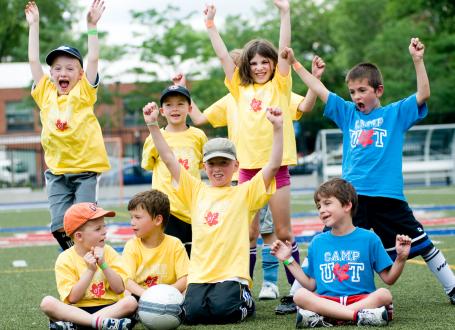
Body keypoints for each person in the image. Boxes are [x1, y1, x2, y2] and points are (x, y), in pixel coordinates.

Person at [284, 38, 455, 305]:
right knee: (327, 239)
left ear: (378, 90)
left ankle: (452, 288)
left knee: (422, 243)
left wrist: (418, 60)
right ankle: (295, 293)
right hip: (351, 198)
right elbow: (318, 88)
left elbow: (423, 94)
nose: (356, 97)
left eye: (362, 90)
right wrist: (295, 64)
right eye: (352, 92)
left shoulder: (395, 114)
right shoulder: (347, 114)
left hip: (388, 196)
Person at [203, 1, 313, 313]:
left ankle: (295, 291)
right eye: (254, 63)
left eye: (266, 62)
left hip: (276, 170)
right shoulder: (238, 89)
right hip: (247, 173)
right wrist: (211, 26)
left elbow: (284, 47)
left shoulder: (280, 85)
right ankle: (244, 291)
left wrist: (285, 12)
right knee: (248, 232)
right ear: (246, 68)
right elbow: (225, 56)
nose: (260, 67)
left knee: (283, 232)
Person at [142, 99, 283, 324]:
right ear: (204, 166)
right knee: (192, 315)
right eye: (212, 164)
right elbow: (169, 159)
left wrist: (277, 127)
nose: (218, 169)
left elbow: (274, 165)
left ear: (235, 166)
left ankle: (246, 298)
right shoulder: (195, 190)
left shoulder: (245, 192)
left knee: (224, 312)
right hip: (199, 276)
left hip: (231, 276)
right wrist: (152, 125)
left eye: (224, 163)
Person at [25, 0, 110, 250]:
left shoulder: (84, 92)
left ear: (80, 74)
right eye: (58, 68)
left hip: (85, 173)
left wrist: (91, 27)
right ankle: (76, 255)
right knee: (58, 224)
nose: (63, 72)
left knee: (84, 222)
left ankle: (92, 257)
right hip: (57, 173)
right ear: (51, 75)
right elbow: (32, 60)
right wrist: (34, 25)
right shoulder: (45, 93)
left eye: (70, 68)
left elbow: (93, 57)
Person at [271, 178, 412, 328]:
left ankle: (327, 316)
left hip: (361, 300)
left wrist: (401, 259)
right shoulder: (317, 243)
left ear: (347, 205)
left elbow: (389, 278)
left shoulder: (370, 239)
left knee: (384, 294)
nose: (321, 210)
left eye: (327, 203)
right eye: (319, 206)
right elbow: (310, 285)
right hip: (328, 300)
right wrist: (288, 259)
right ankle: (357, 316)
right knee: (299, 295)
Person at [40, 203, 137, 330]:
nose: (104, 231)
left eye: (104, 226)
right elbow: (73, 298)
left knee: (131, 302)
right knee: (47, 303)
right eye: (98, 229)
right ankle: (99, 324)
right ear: (79, 236)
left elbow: (119, 289)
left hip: (109, 307)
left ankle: (77, 326)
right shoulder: (65, 258)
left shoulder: (108, 251)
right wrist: (90, 270)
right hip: (77, 310)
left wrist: (103, 265)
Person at [141, 85, 207, 257]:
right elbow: (148, 164)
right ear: (162, 111)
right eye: (169, 105)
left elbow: (201, 165)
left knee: (194, 255)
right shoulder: (153, 137)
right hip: (166, 209)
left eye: (180, 104)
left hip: (192, 206)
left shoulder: (198, 136)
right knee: (169, 255)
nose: (175, 108)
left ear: (190, 108)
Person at [123, 190, 189, 297]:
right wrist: (148, 295)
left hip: (168, 296)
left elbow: (185, 278)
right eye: (132, 217)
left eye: (137, 217)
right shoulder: (132, 246)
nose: (132, 222)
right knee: (126, 295)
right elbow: (127, 280)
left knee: (189, 292)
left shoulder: (175, 244)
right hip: (141, 295)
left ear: (158, 220)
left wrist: (165, 293)